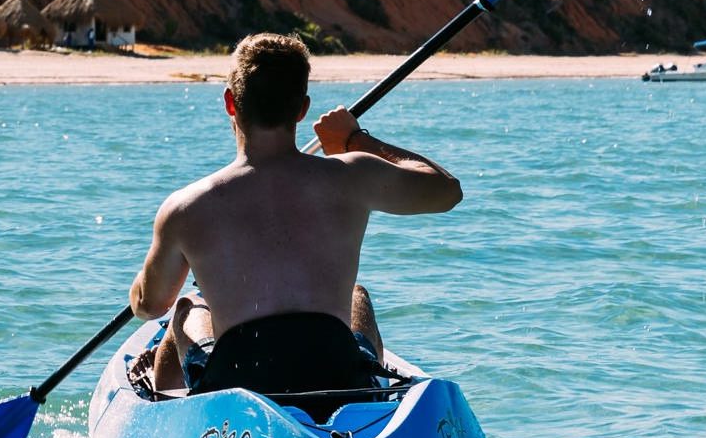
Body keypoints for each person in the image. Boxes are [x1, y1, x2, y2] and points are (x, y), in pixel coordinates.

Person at [128, 32, 463, 397]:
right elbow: (447, 191)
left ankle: (168, 405)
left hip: (241, 388)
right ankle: (371, 393)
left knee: (187, 306)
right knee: (356, 296)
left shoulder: (185, 207)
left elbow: (149, 305)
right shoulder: (352, 176)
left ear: (230, 102)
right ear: (302, 108)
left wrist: (149, 282)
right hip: (336, 377)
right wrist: (356, 140)